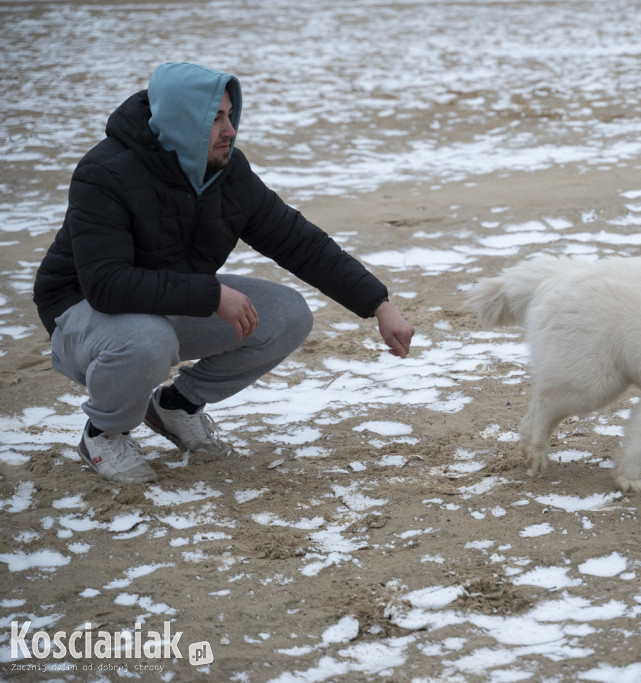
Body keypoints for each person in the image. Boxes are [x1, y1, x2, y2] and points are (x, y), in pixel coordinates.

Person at [33, 62, 415, 485]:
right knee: (147, 340)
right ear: (181, 120)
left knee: (287, 314)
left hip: (165, 303)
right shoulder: (105, 172)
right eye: (215, 118)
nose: (230, 129)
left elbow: (298, 241)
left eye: (230, 115)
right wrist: (212, 296)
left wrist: (378, 304)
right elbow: (106, 284)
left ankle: (177, 406)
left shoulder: (229, 172)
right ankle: (102, 433)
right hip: (82, 312)